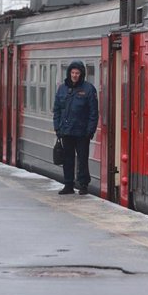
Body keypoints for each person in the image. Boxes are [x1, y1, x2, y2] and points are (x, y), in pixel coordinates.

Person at [52, 60, 98, 195]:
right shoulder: (62, 89)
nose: (74, 75)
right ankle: (68, 184)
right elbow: (57, 110)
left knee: (82, 159)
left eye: (77, 73)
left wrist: (90, 130)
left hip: (82, 132)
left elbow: (93, 112)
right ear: (69, 73)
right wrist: (57, 128)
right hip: (66, 131)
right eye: (72, 72)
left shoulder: (89, 89)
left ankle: (83, 185)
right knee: (68, 159)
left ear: (81, 74)